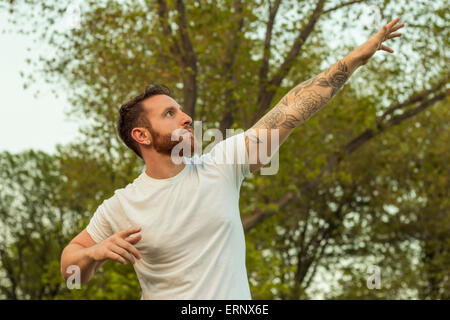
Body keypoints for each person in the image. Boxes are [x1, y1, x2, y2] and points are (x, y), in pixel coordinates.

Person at [60, 18, 404, 299]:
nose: (186, 117)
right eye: (169, 114)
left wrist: (356, 57)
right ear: (142, 136)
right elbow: (72, 274)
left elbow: (290, 110)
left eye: (181, 109)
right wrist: (92, 253)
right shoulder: (122, 206)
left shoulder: (220, 165)